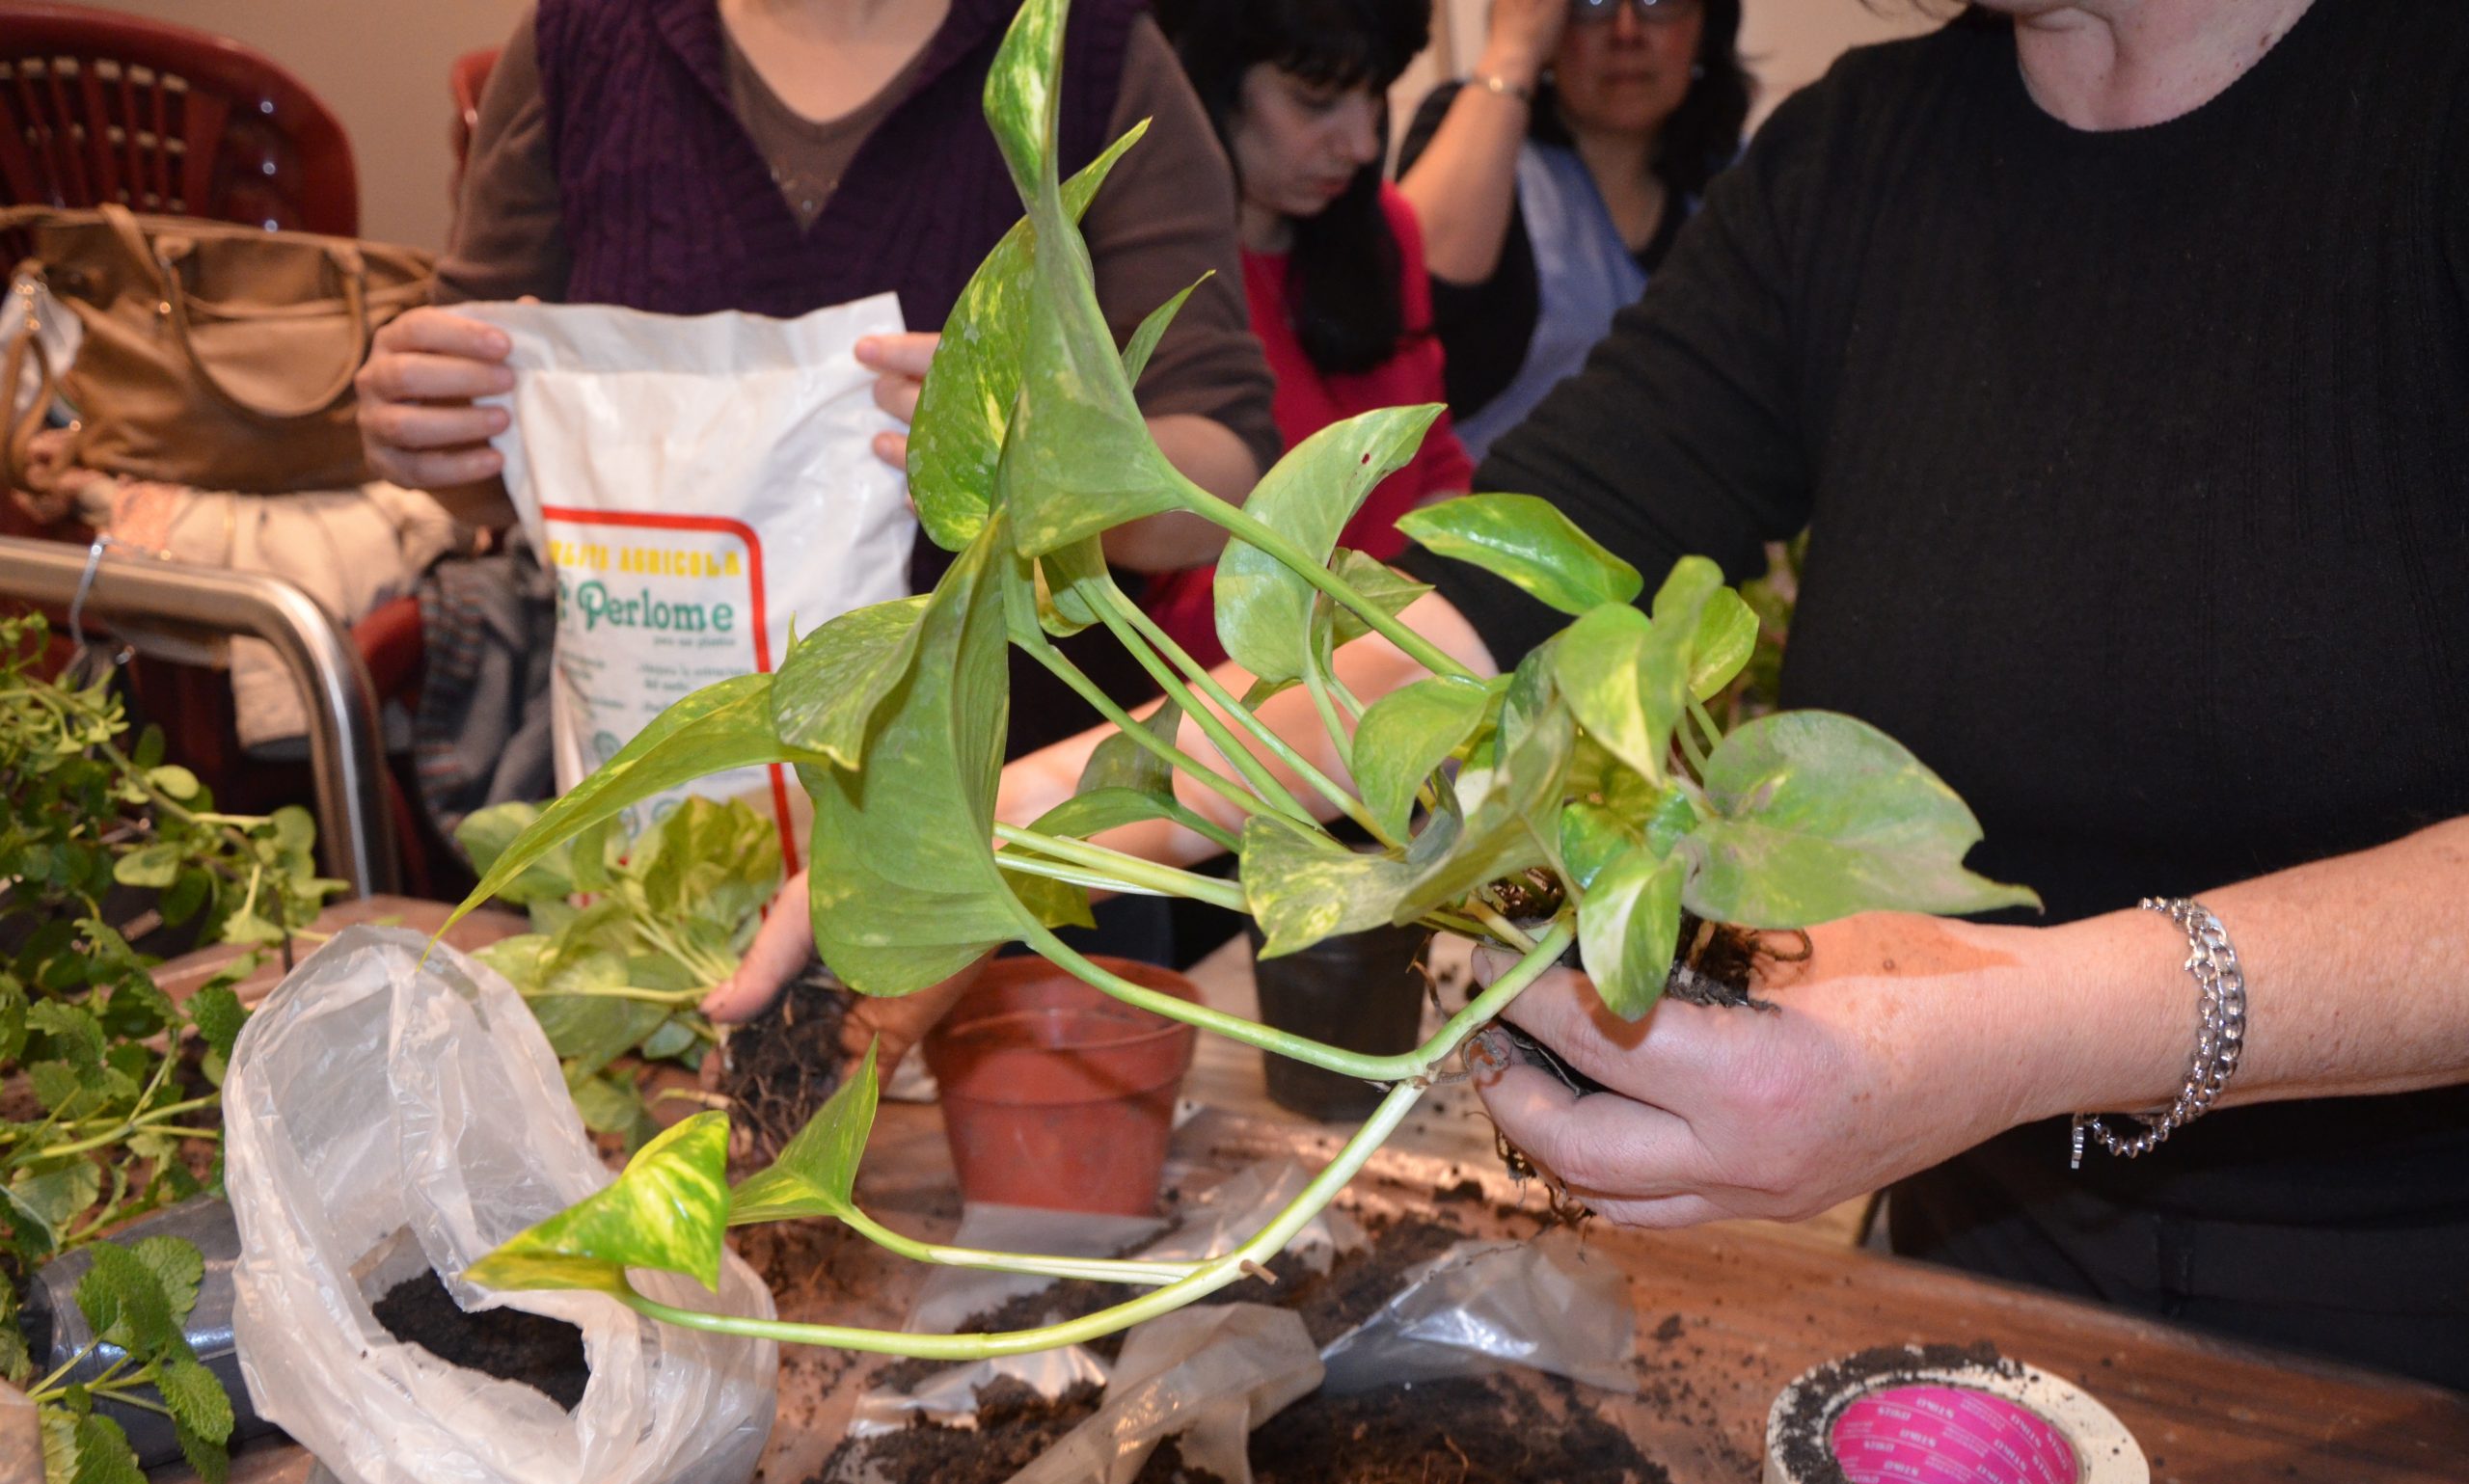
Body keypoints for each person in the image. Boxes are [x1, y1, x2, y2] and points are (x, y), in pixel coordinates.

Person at [731, 0, 2469, 1388]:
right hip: (1987, 1317)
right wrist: (1012, 827)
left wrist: (2022, 1023)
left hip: (2413, 1343)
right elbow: (1486, 603)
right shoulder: (1868, 159)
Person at [355, 0, 1282, 765]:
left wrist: (1045, 458)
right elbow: (495, 464)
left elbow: (1220, 481)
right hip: (658, 798)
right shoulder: (585, 42)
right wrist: (419, 423)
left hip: (1017, 825)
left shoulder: (1086, 52)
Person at [1136, 0, 1475, 667]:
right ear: (1210, 85)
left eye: (1374, 97)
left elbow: (1436, 467)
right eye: (1317, 100)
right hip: (1227, 701)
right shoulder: (1148, 279)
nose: (1363, 144)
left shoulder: (1385, 231)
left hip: (1400, 670)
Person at [1396, 0, 1748, 463]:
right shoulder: (1478, 129)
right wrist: (1513, 52)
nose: (1627, 32)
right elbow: (1407, 298)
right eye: (1592, 3)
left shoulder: (1737, 182)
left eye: (1659, 2)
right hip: (1479, 521)